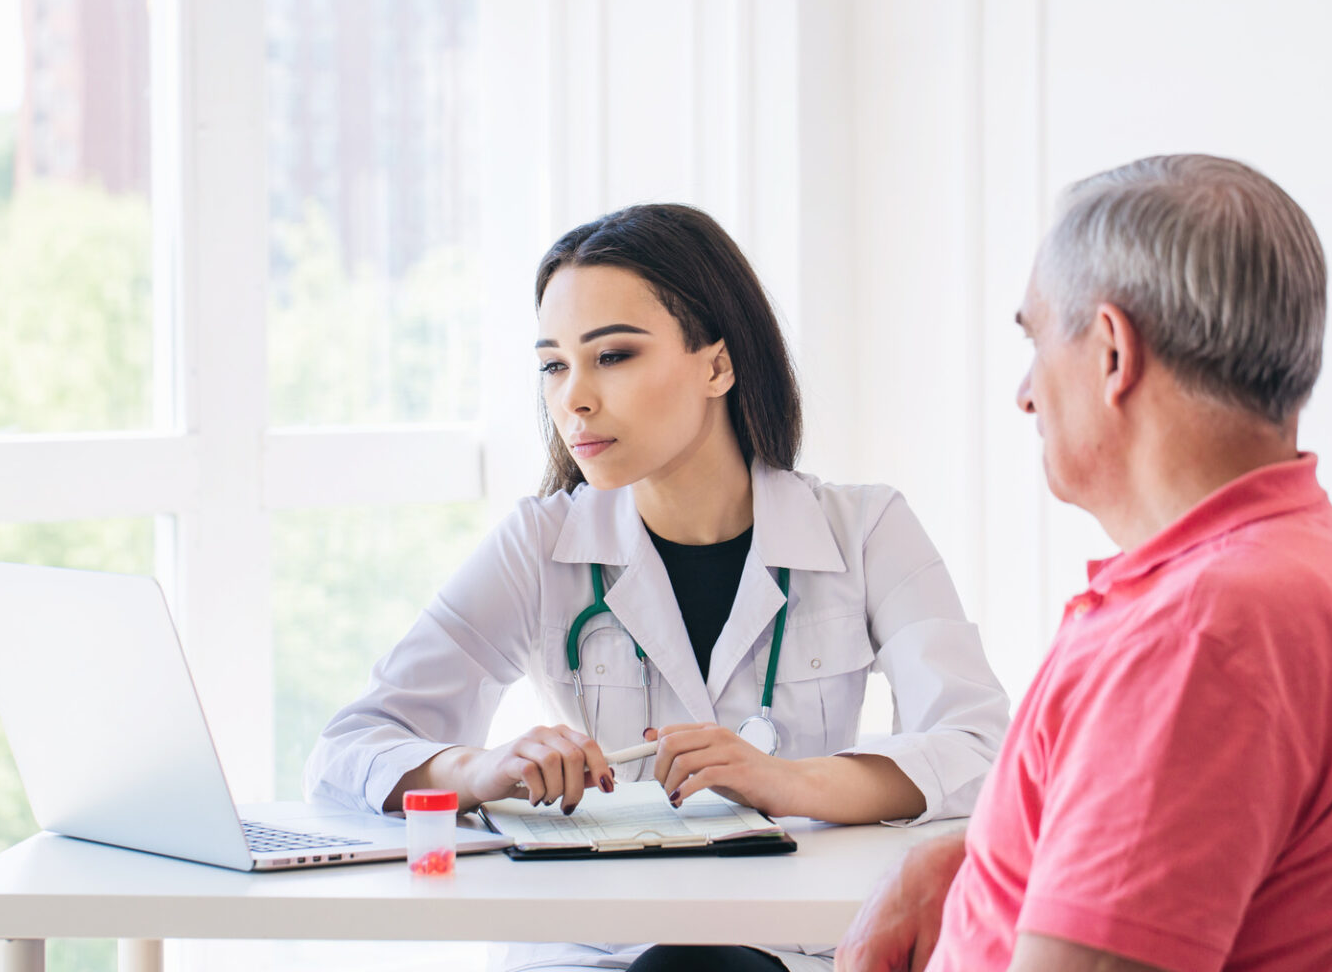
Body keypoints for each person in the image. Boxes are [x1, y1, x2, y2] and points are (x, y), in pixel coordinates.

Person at [305, 203, 1011, 971]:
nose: (574, 397)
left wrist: (790, 782)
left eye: (613, 356)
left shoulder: (865, 529)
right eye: (553, 364)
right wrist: (479, 771)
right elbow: (348, 749)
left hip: (787, 947)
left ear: (717, 364)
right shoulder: (539, 544)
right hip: (597, 949)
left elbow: (980, 750)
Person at [837, 154, 1332, 972]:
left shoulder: (1196, 635)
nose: (1026, 394)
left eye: (1036, 341)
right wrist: (977, 854)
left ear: (1111, 351)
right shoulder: (1311, 564)